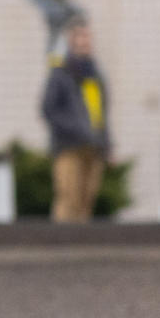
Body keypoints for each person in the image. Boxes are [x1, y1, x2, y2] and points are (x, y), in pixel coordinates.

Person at [42, 15, 110, 222]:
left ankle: (82, 249)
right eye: (81, 37)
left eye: (88, 37)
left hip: (94, 145)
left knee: (86, 200)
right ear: (71, 41)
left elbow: (102, 113)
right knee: (68, 197)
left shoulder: (95, 74)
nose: (85, 41)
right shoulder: (61, 73)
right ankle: (60, 247)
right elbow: (48, 109)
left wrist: (107, 143)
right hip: (69, 146)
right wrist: (74, 129)